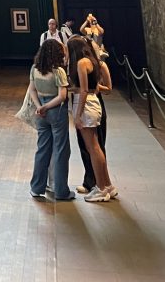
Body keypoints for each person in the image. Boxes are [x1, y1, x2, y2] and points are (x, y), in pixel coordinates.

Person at [68, 36, 116, 203]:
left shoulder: (81, 63)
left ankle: (101, 188)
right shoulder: (95, 62)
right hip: (94, 103)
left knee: (93, 147)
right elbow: (91, 87)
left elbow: (83, 90)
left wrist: (77, 114)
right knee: (96, 147)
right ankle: (107, 185)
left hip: (86, 105)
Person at [26, 39, 74, 201]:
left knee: (42, 149)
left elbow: (32, 90)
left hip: (41, 112)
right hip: (55, 111)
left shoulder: (34, 69)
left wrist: (40, 106)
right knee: (61, 150)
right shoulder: (58, 71)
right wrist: (47, 107)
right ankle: (61, 191)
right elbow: (62, 96)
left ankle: (36, 187)